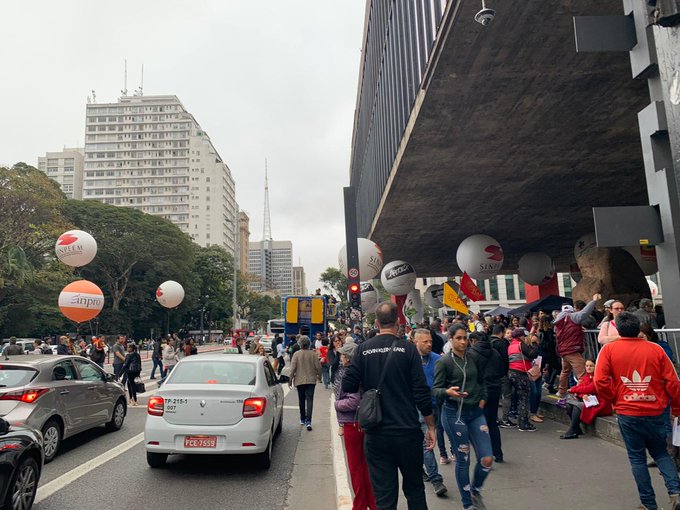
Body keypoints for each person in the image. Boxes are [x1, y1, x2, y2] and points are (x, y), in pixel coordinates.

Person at [343, 302, 435, 510]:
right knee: (415, 490)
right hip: (407, 431)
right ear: (397, 322)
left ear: (375, 323)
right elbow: (421, 392)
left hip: (376, 434)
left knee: (384, 497)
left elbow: (348, 385)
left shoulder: (362, 350)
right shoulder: (409, 350)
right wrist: (430, 426)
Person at [594, 312, 680, 510]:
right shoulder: (655, 349)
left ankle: (649, 503)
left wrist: (614, 397)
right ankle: (675, 492)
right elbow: (673, 382)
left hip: (627, 411)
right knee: (661, 453)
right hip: (656, 410)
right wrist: (676, 408)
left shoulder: (609, 350)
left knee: (637, 458)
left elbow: (600, 381)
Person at [433, 324, 493, 510]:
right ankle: (468, 503)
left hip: (476, 413)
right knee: (463, 459)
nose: (462, 341)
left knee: (487, 459)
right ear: (450, 339)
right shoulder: (444, 362)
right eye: (458, 338)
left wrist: (483, 398)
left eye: (465, 338)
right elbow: (435, 390)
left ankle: (475, 490)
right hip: (453, 415)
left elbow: (483, 381)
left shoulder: (473, 358)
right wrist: (448, 392)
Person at [334, 342, 377, 510]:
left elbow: (353, 400)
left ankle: (359, 504)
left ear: (348, 357)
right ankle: (371, 502)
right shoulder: (365, 371)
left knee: (355, 466)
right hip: (364, 422)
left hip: (353, 423)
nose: (341, 358)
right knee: (366, 465)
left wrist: (337, 405)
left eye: (343, 356)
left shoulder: (350, 373)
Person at [413, 328, 448, 497]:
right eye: (425, 342)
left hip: (437, 406)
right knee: (426, 442)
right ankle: (436, 479)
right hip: (419, 408)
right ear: (416, 342)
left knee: (433, 436)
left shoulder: (438, 360)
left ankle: (421, 466)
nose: (429, 344)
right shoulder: (409, 359)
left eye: (430, 342)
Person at [553, 294, 601, 398]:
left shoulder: (558, 322)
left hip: (563, 351)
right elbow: (585, 312)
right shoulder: (573, 317)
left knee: (565, 371)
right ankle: (581, 393)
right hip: (572, 350)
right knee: (582, 374)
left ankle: (561, 392)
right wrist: (593, 301)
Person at [470, 330, 506, 463]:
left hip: (479, 392)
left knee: (480, 423)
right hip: (495, 390)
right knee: (492, 422)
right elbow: (502, 370)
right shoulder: (495, 353)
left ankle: (485, 454)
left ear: (473, 341)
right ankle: (498, 453)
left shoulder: (471, 354)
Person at [560, 359, 612, 439]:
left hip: (600, 403)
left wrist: (574, 389)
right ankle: (577, 428)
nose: (588, 368)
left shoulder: (600, 377)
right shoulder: (586, 377)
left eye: (591, 366)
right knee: (568, 405)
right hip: (589, 400)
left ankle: (572, 430)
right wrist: (582, 395)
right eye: (587, 366)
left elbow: (591, 388)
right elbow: (581, 388)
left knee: (577, 406)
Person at [507, 328, 539, 432]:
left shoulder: (511, 345)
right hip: (520, 373)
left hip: (511, 372)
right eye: (523, 336)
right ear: (520, 336)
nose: (524, 337)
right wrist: (534, 343)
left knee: (518, 397)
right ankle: (523, 423)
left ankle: (519, 420)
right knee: (524, 398)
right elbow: (533, 354)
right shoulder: (520, 345)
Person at [288, 335, 322, 431]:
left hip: (299, 380)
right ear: (309, 343)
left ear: (300, 344)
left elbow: (292, 368)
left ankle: (302, 418)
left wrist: (290, 380)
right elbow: (318, 367)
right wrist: (319, 377)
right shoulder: (313, 354)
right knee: (310, 400)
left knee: (301, 399)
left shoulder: (296, 354)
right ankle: (309, 421)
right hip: (311, 380)